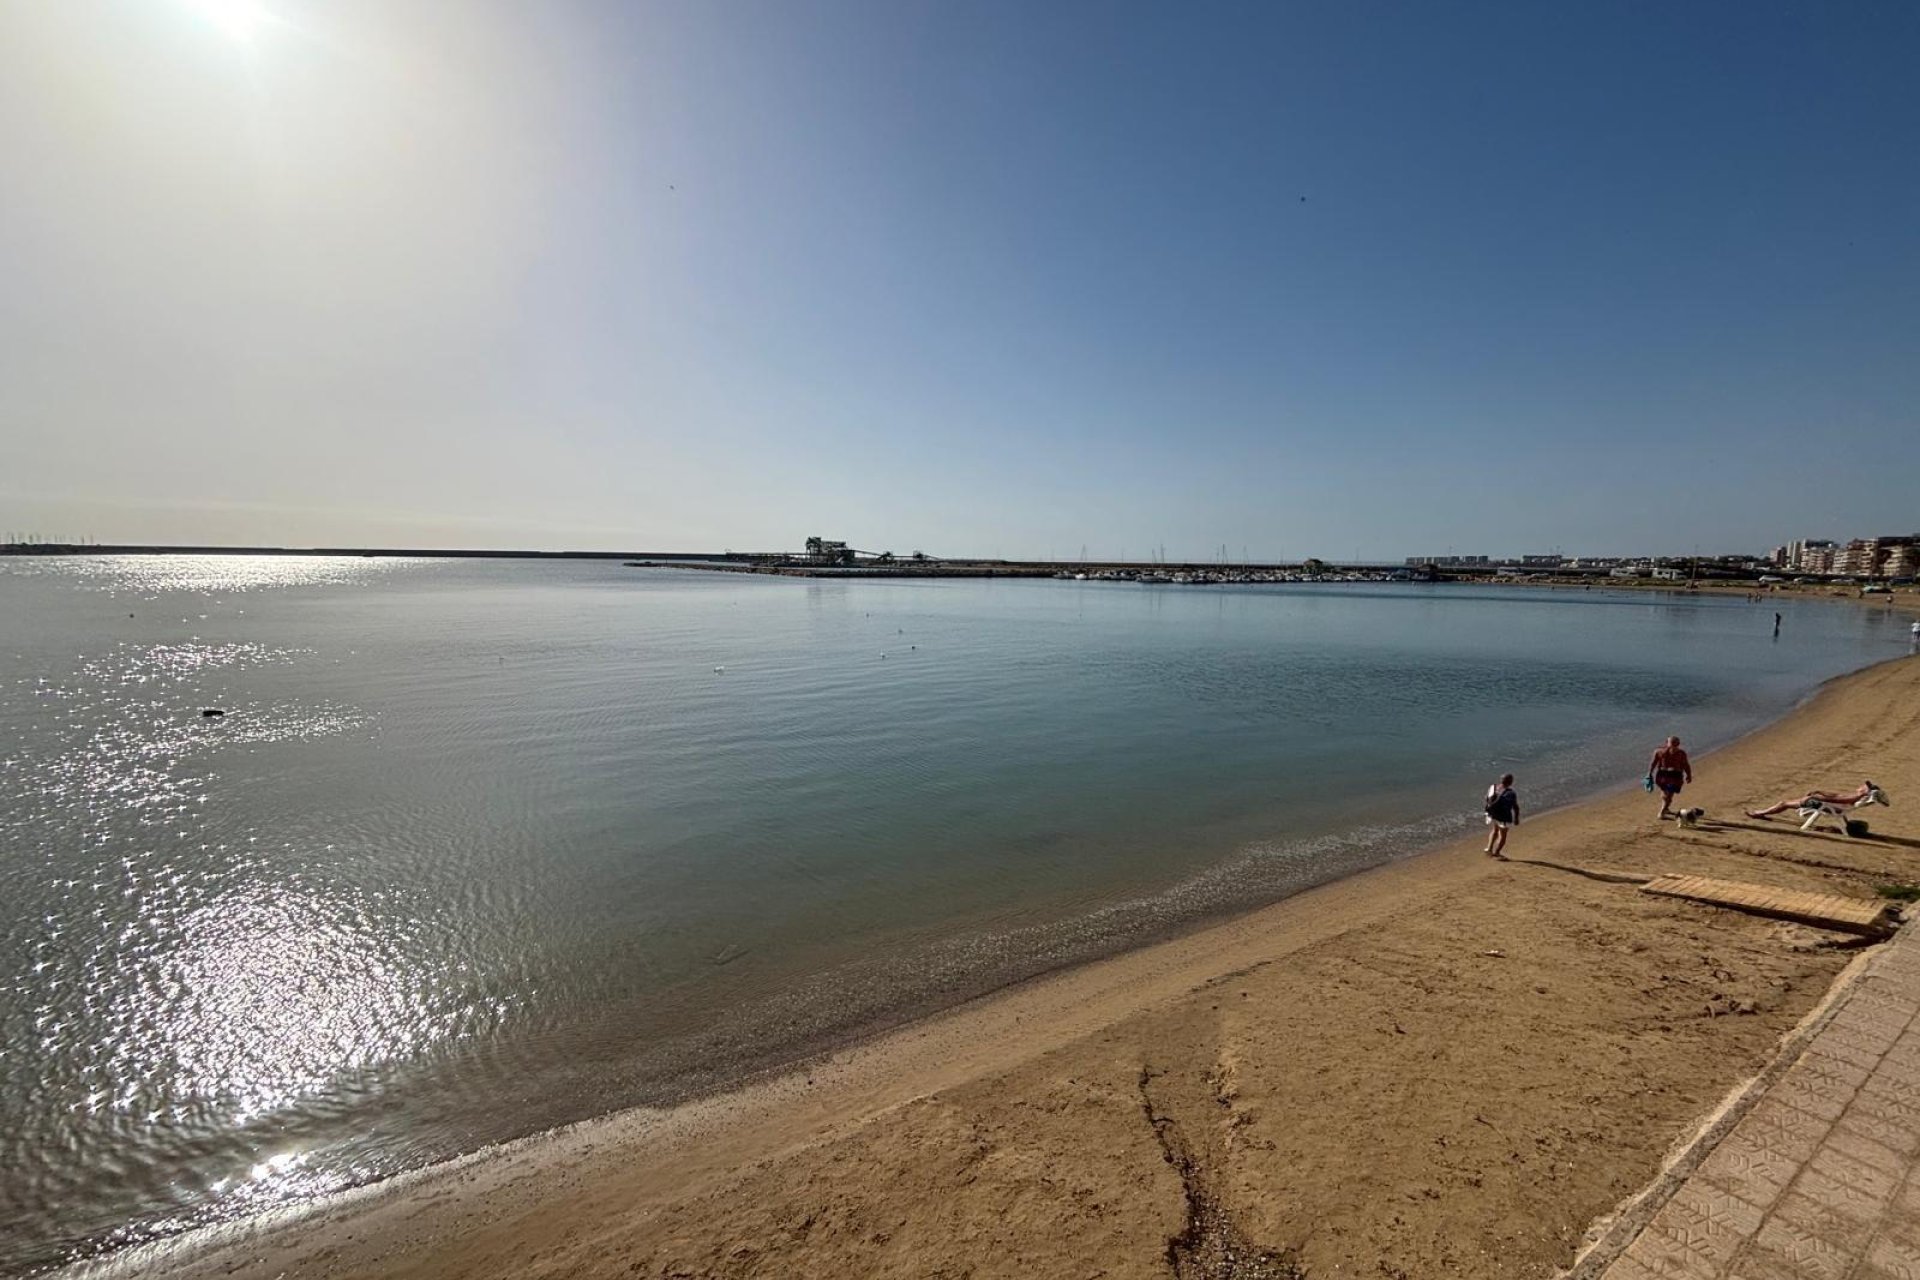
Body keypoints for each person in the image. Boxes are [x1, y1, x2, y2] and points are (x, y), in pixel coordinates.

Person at [1746, 781, 1880, 819]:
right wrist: (1820, 792)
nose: (1861, 785)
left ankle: (1760, 813)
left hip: (1823, 805)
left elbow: (1839, 801)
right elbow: (1836, 796)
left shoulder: (1855, 797)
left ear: (1865, 791)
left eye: (1864, 786)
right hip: (1826, 804)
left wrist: (1817, 797)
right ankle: (1763, 812)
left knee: (1784, 803)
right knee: (1794, 801)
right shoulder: (1854, 797)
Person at [1647, 736, 1692, 819]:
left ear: (1678, 744)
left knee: (1669, 795)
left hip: (1675, 775)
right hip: (1663, 775)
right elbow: (1653, 763)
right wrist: (1649, 774)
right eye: (1673, 743)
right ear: (1666, 743)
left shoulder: (1681, 753)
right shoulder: (1659, 752)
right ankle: (1661, 812)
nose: (1675, 745)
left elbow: (1686, 765)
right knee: (1667, 795)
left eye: (1676, 743)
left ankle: (1666, 808)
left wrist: (1689, 775)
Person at [1484, 773, 1519, 858]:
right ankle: (1497, 852)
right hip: (1503, 817)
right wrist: (1516, 818)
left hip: (1493, 814)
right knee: (1503, 836)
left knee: (1495, 830)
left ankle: (1489, 848)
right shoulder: (1511, 793)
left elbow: (1486, 798)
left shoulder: (1494, 787)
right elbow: (1515, 807)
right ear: (1510, 782)